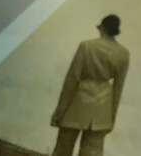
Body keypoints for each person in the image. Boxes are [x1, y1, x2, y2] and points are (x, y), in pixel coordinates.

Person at [51, 14, 130, 156]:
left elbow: (72, 79)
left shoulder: (86, 46)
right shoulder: (123, 53)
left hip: (78, 102)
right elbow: (118, 88)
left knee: (63, 148)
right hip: (103, 107)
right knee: (92, 152)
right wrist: (111, 118)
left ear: (102, 28)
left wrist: (60, 111)